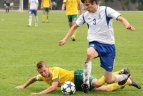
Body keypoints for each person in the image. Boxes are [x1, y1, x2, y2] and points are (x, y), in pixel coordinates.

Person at [58, 0, 135, 93]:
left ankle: (125, 76)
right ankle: (85, 82)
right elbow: (74, 26)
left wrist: (127, 25)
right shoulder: (85, 15)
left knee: (108, 80)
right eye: (85, 5)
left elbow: (121, 18)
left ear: (94, 3)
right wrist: (65, 39)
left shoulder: (106, 10)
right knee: (89, 53)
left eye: (87, 5)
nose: (86, 7)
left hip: (109, 47)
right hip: (95, 43)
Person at [16, 61, 141, 95]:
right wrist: (23, 85)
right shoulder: (42, 76)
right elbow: (33, 78)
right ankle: (126, 81)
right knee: (104, 89)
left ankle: (122, 72)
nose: (43, 74)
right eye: (41, 72)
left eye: (44, 70)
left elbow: (54, 87)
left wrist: (39, 93)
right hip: (76, 84)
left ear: (48, 67)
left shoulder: (54, 72)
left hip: (78, 76)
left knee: (97, 83)